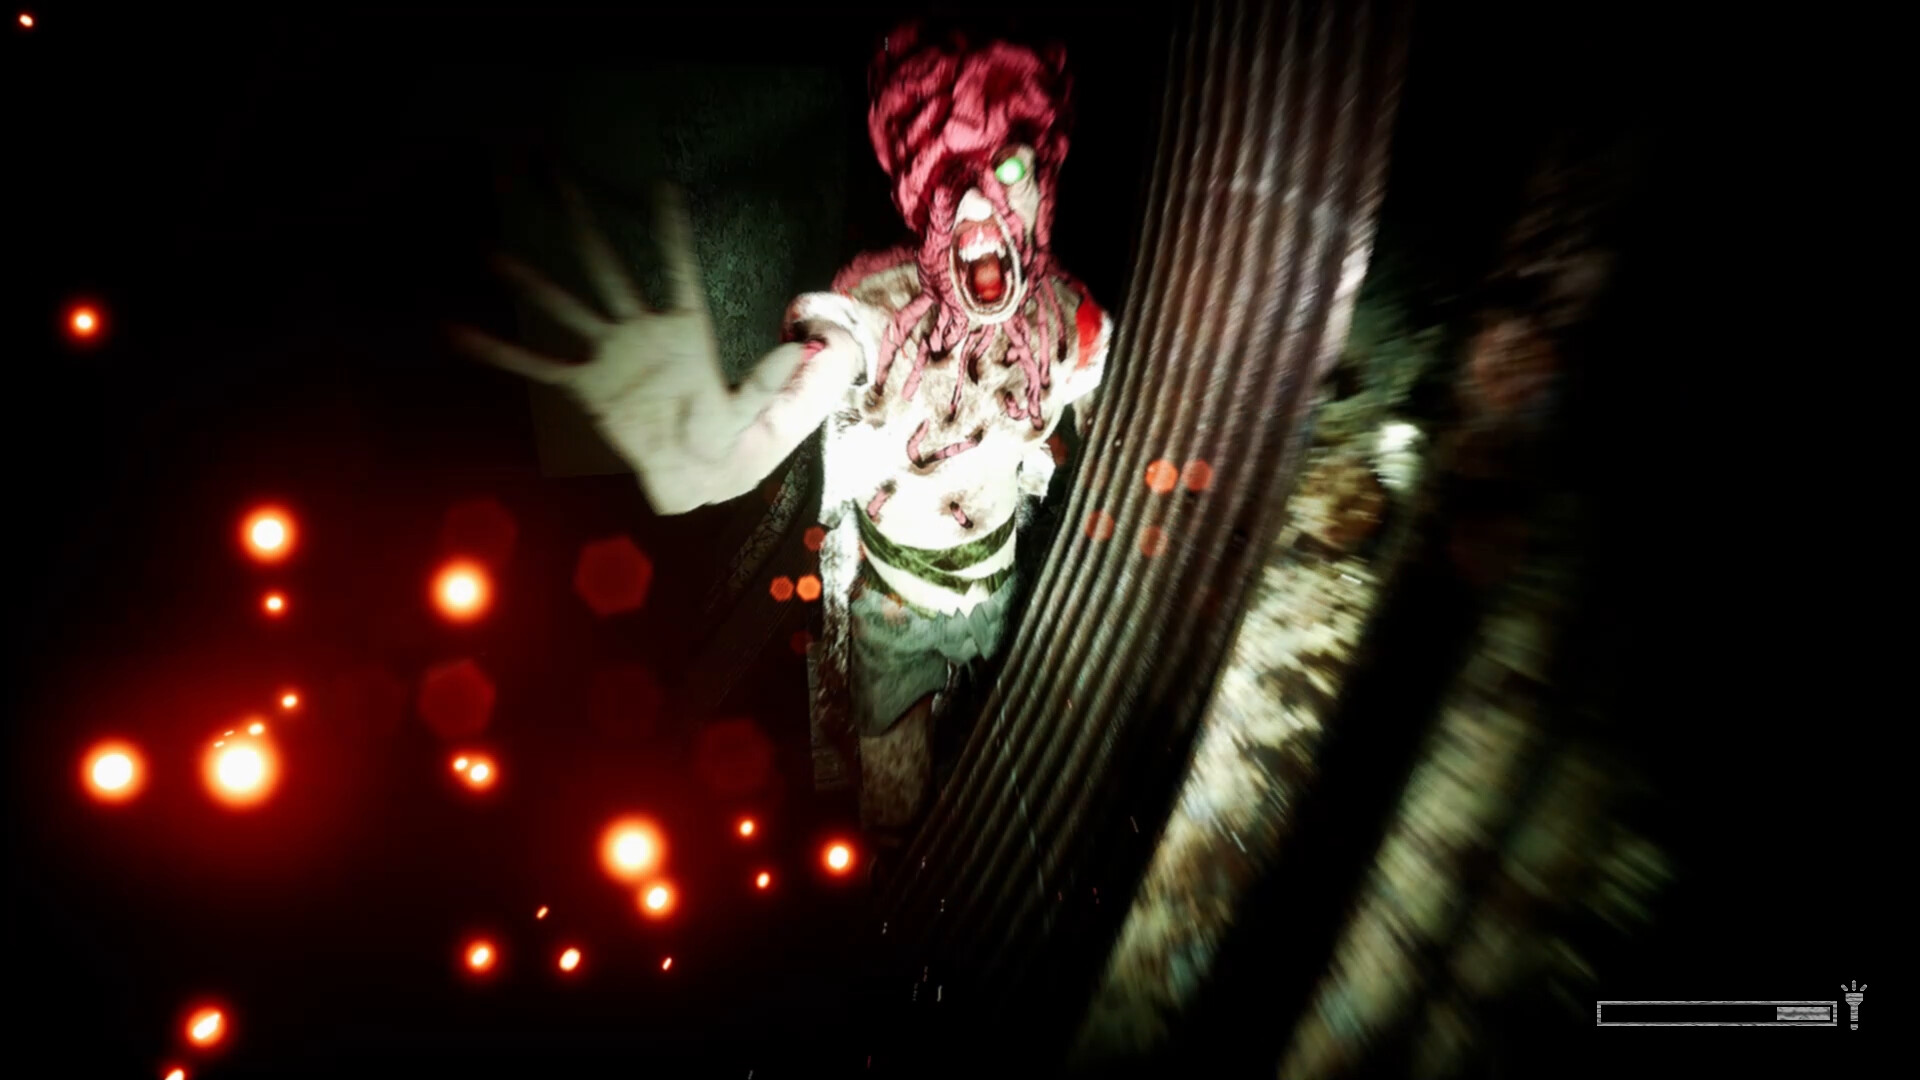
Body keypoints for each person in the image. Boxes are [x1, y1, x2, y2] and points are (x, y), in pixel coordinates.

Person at [456, 22, 1112, 843]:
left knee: (1022, 785)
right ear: (923, 205)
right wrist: (721, 453)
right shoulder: (882, 311)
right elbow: (818, 372)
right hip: (896, 614)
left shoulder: (1069, 320)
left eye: (1005, 170)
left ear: (1043, 179)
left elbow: (1120, 431)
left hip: (1010, 593)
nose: (979, 207)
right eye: (951, 187)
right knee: (900, 816)